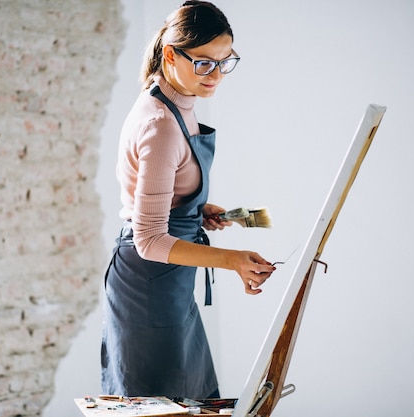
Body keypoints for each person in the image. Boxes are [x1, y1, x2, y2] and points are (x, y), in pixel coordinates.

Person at [101, 1, 276, 400]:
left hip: (171, 284)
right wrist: (232, 260)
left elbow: (165, 188)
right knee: (163, 402)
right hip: (148, 288)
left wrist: (195, 209)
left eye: (224, 61)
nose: (215, 75)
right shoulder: (161, 124)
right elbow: (148, 239)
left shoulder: (175, 100)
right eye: (203, 63)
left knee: (190, 399)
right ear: (170, 55)